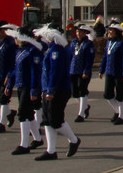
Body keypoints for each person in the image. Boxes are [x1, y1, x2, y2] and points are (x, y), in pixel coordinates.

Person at [35, 25, 81, 161]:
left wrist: (50, 90)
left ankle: (74, 140)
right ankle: (51, 151)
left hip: (58, 89)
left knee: (56, 120)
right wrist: (45, 89)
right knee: (47, 120)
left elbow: (55, 72)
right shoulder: (52, 49)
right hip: (49, 88)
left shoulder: (57, 50)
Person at [7, 27, 44, 155]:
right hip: (21, 84)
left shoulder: (33, 51)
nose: (15, 40)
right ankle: (37, 139)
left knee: (22, 114)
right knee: (28, 114)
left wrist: (34, 90)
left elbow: (35, 72)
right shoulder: (20, 51)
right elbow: (15, 69)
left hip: (28, 86)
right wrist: (9, 85)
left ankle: (24, 144)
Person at [98, 21, 123, 125]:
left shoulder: (122, 43)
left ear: (116, 31)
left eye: (111, 30)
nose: (109, 32)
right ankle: (117, 111)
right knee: (107, 94)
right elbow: (105, 57)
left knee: (120, 95)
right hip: (109, 71)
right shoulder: (109, 42)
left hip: (119, 72)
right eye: (109, 30)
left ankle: (121, 116)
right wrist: (101, 70)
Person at [69, 23, 95, 122]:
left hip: (83, 71)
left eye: (80, 32)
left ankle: (81, 114)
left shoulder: (88, 44)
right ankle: (85, 106)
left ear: (85, 33)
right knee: (74, 92)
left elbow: (89, 59)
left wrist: (86, 71)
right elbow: (70, 56)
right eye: (77, 31)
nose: (78, 33)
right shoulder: (73, 42)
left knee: (82, 91)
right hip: (73, 70)